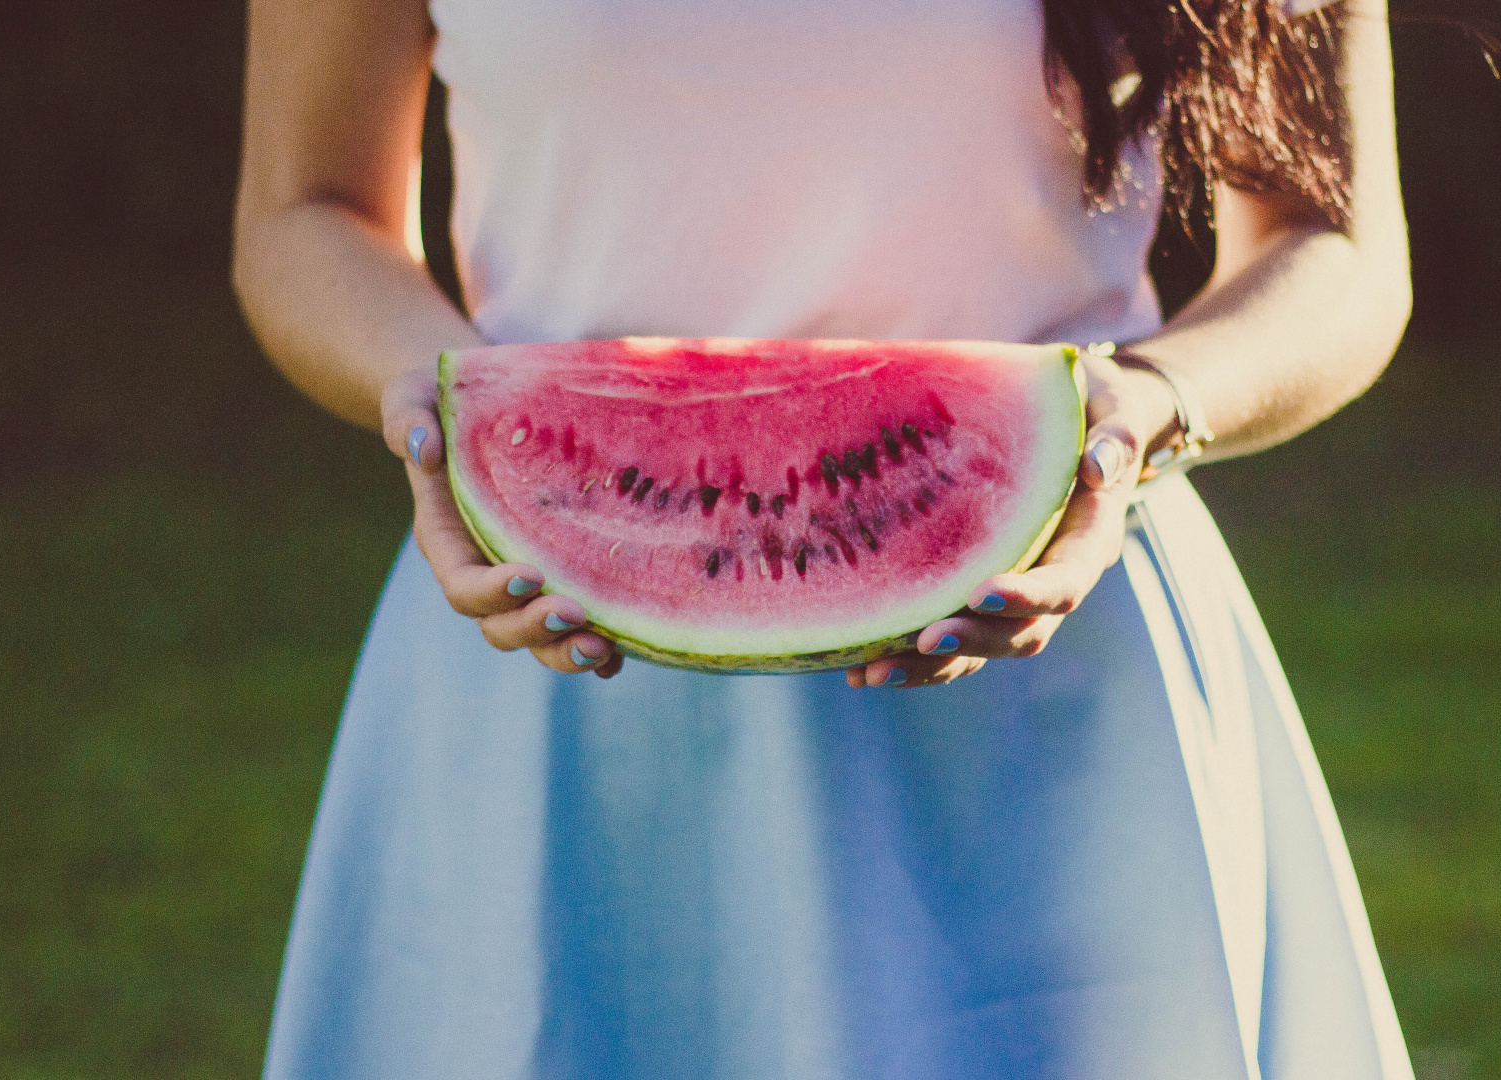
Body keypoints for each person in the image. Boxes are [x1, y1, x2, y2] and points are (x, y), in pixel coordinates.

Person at [233, 0, 1415, 1075]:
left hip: (1048, 665)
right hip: (553, 662)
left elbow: (1334, 242)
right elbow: (305, 207)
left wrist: (1148, 406)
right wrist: (443, 415)